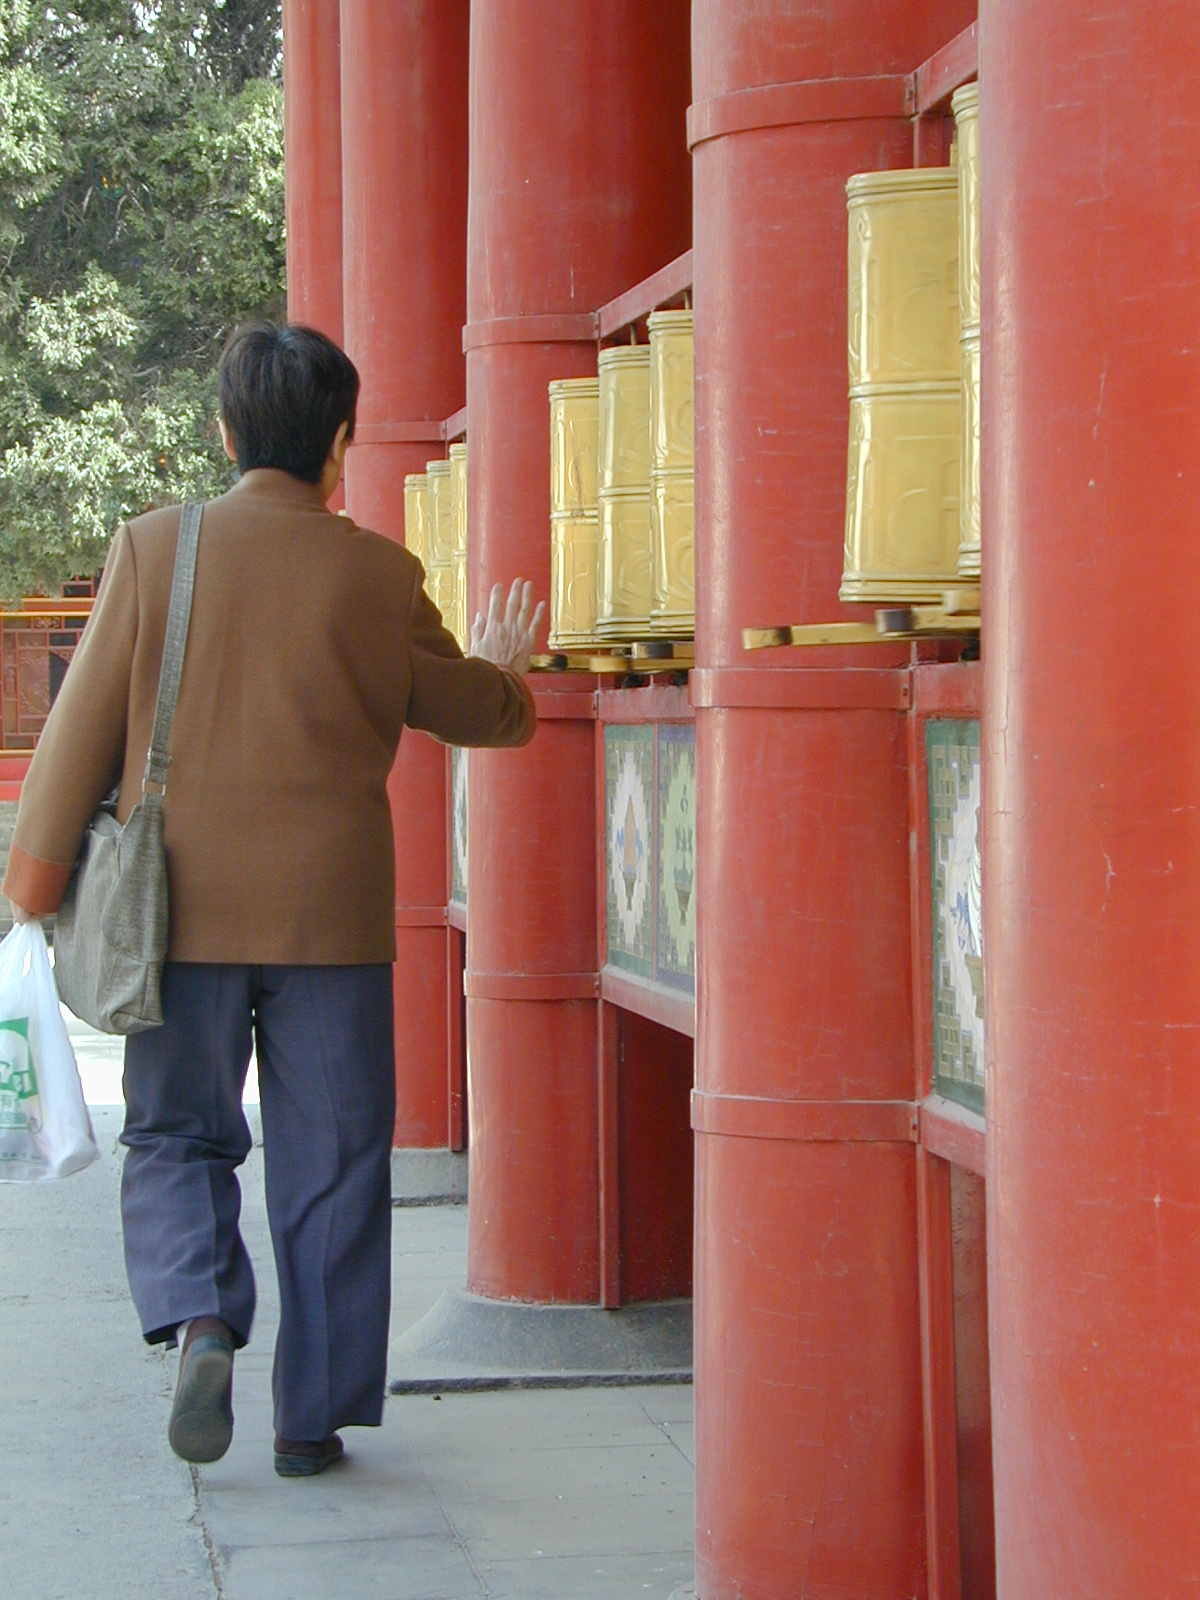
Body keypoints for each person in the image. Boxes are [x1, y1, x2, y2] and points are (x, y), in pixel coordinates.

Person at [2, 321, 544, 1476]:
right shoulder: (378, 573)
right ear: (341, 446)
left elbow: (77, 736)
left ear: (224, 429)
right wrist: (509, 671)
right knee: (335, 1159)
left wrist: (33, 884)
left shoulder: (155, 550)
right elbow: (473, 709)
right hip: (334, 926)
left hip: (177, 919)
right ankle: (313, 1417)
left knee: (177, 1135)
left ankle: (200, 1317)